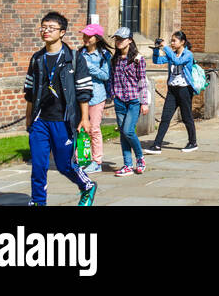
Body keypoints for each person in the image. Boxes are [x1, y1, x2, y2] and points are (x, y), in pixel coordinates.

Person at [23, 11, 97, 206]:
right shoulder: (37, 58)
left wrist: (84, 119)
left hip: (63, 120)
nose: (46, 31)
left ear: (62, 32)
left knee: (65, 165)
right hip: (40, 120)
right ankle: (38, 201)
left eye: (51, 28)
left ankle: (87, 186)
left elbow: (83, 90)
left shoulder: (73, 58)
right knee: (38, 165)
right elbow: (29, 90)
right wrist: (28, 116)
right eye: (43, 27)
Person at [144, 30, 197, 154]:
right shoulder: (171, 54)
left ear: (182, 42)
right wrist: (156, 49)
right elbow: (157, 61)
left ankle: (193, 142)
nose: (172, 43)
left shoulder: (188, 54)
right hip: (172, 90)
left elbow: (177, 61)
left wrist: (165, 47)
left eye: (174, 41)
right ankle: (157, 145)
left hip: (184, 90)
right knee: (165, 118)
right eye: (171, 41)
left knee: (186, 117)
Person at [109, 28, 149, 176]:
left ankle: (140, 158)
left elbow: (142, 81)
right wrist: (113, 94)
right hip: (119, 100)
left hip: (133, 100)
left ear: (130, 40)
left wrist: (144, 102)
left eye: (121, 39)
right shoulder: (115, 59)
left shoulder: (138, 59)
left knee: (128, 131)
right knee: (123, 133)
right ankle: (127, 164)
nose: (118, 42)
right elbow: (112, 78)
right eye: (116, 39)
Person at [78, 24, 111, 173]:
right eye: (84, 35)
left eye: (88, 36)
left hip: (97, 95)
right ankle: (83, 158)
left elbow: (106, 75)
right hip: (81, 96)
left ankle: (97, 161)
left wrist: (89, 66)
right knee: (81, 129)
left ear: (96, 38)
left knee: (95, 129)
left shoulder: (104, 56)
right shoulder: (79, 54)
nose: (85, 38)